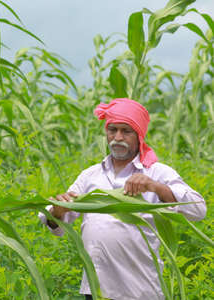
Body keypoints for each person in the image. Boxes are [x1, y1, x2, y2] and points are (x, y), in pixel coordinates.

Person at [39, 98, 206, 300]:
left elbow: (198, 209)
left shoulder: (156, 172)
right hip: (95, 288)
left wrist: (155, 187)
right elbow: (52, 220)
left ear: (139, 135)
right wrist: (58, 209)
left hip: (140, 291)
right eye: (113, 130)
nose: (118, 137)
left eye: (126, 131)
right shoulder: (90, 175)